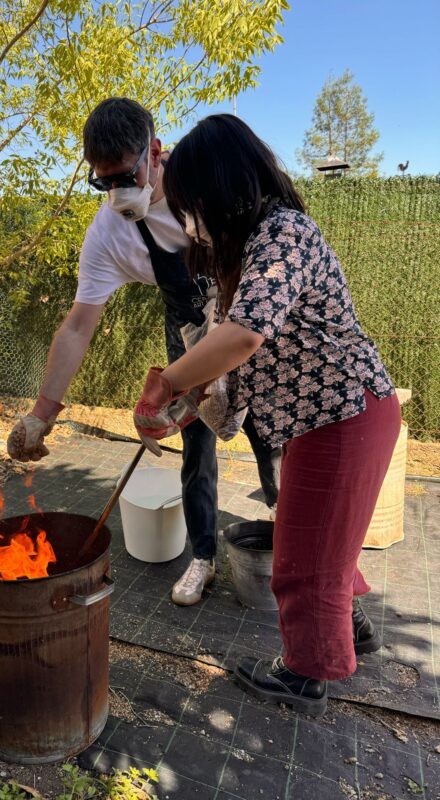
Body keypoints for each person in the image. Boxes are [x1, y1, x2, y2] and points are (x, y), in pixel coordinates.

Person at [133, 113, 400, 715]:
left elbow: (244, 336)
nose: (186, 222)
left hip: (346, 413)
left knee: (302, 560)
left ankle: (307, 674)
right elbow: (234, 380)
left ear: (219, 188)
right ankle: (348, 626)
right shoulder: (248, 255)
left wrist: (165, 382)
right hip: (326, 419)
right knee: (324, 542)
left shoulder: (284, 235)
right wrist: (188, 409)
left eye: (189, 205)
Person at [7, 98, 281, 605]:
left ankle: (293, 544)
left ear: (155, 152)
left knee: (272, 434)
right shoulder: (108, 233)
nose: (118, 192)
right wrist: (42, 414)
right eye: (104, 182)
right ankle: (203, 558)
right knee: (196, 447)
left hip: (249, 317)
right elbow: (77, 326)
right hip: (189, 331)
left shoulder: (205, 183)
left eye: (126, 176)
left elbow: (261, 271)